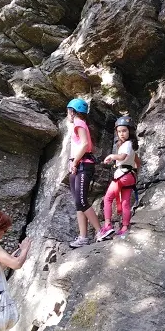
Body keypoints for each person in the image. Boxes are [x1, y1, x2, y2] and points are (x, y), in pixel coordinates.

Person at [97, 116, 140, 240]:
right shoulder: (132, 145)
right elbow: (137, 161)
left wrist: (111, 156)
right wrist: (136, 173)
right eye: (119, 131)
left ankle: (107, 226)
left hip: (122, 175)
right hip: (130, 176)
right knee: (125, 203)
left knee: (108, 198)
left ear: (130, 131)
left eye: (124, 131)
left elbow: (121, 157)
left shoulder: (127, 144)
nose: (121, 134)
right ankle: (125, 227)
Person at [66, 98, 102, 248]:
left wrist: (75, 162)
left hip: (82, 165)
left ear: (74, 111)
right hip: (78, 164)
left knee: (81, 201)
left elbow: (85, 144)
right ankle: (83, 237)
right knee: (78, 204)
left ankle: (101, 231)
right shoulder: (79, 123)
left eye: (68, 110)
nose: (67, 113)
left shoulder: (79, 123)